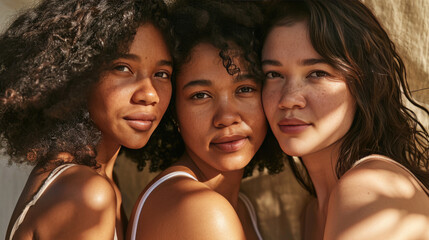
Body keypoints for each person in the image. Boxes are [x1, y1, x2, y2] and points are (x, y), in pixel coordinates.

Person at [0, 0, 172, 239]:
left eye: (162, 74)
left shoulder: (97, 178)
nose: (150, 94)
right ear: (77, 74)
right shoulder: (85, 190)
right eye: (122, 68)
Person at [260, 0, 429, 239]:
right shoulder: (310, 212)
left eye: (317, 73)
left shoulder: (368, 188)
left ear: (363, 84)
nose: (288, 99)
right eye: (274, 74)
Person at [126, 0, 284, 239]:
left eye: (244, 89)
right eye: (200, 95)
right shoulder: (201, 209)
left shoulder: (242, 204)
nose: (227, 117)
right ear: (173, 110)